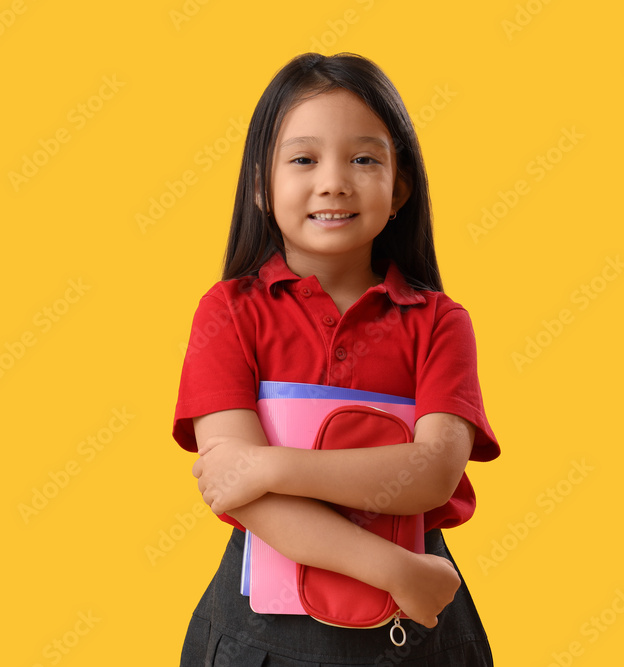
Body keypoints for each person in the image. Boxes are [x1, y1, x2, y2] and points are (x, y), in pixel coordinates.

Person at [172, 52, 500, 666]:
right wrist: (391, 569)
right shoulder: (228, 313)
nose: (333, 182)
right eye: (303, 159)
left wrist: (269, 466)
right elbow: (233, 489)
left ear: (399, 187)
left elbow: (432, 474)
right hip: (268, 633)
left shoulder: (440, 323)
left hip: (418, 628)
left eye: (364, 158)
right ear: (260, 187)